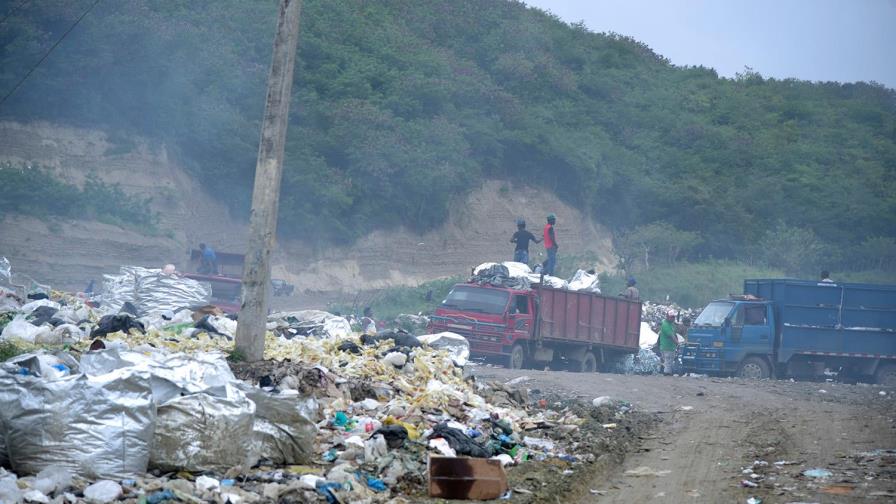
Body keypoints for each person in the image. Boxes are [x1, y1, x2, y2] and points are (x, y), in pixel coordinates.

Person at [658, 309, 678, 375]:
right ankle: (666, 375)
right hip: (666, 347)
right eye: (671, 317)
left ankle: (664, 373)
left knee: (668, 362)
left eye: (674, 317)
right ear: (667, 317)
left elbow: (674, 334)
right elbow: (671, 336)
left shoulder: (671, 325)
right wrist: (677, 343)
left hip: (671, 347)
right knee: (668, 362)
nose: (673, 318)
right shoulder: (665, 325)